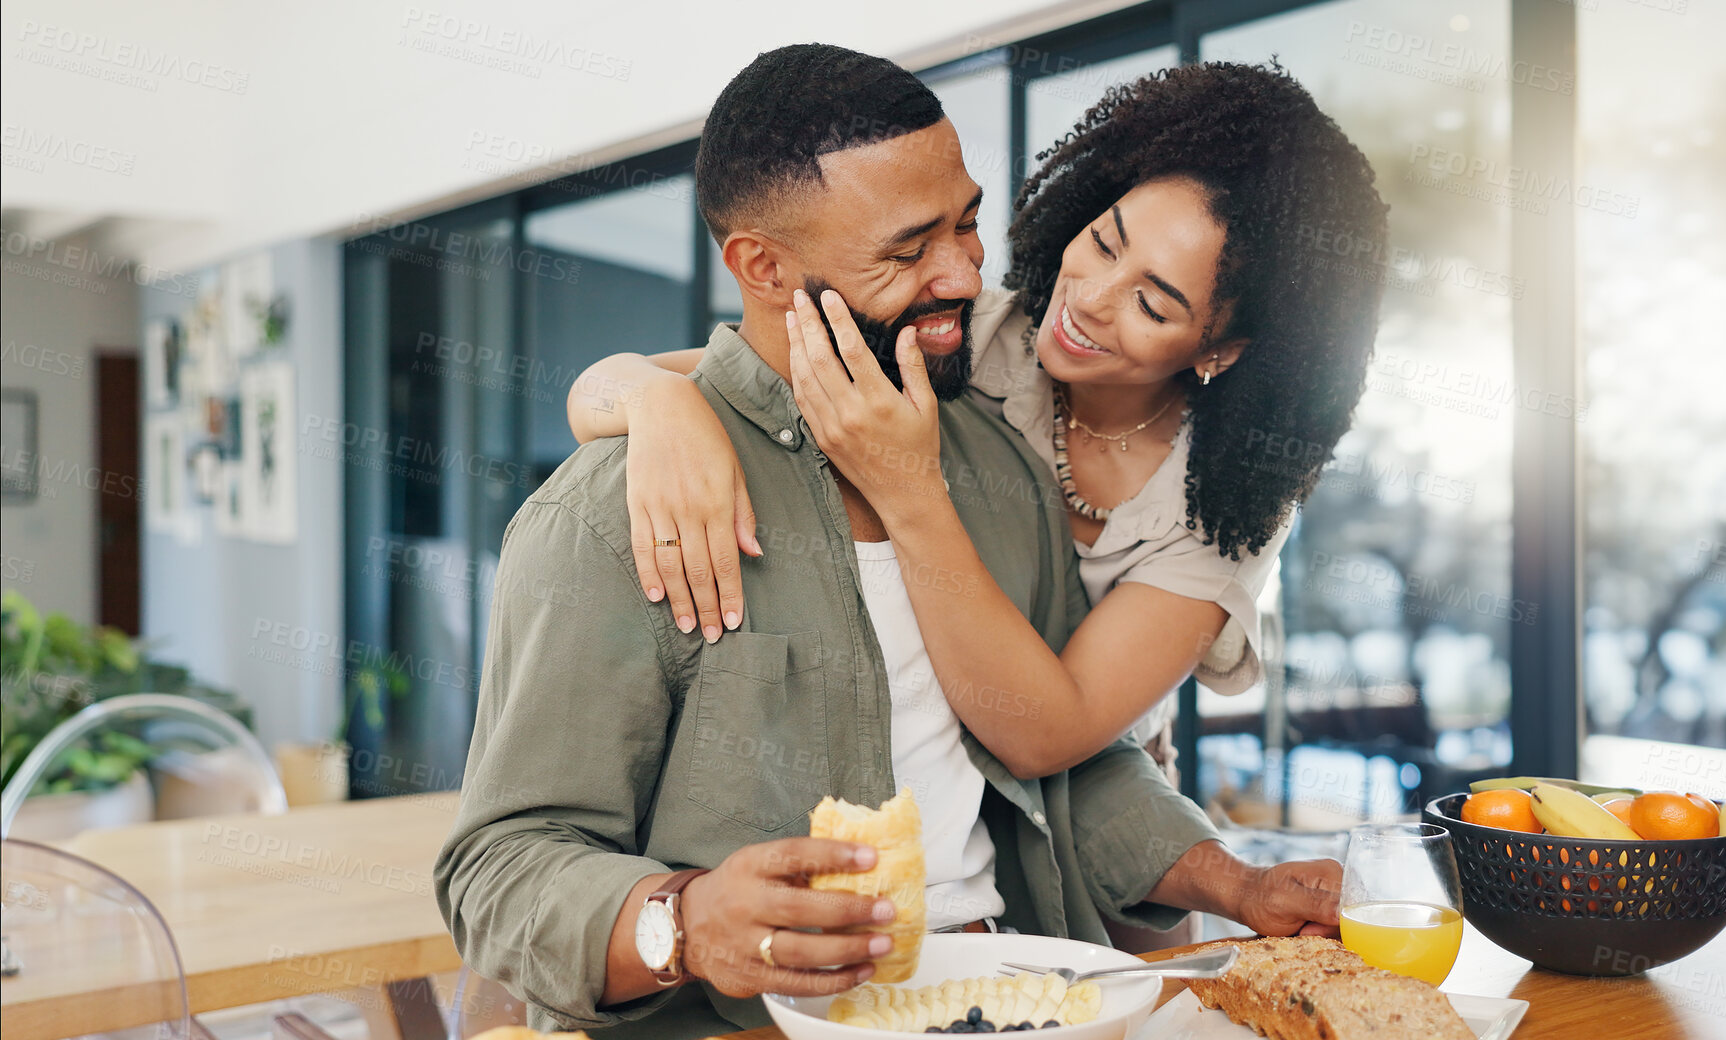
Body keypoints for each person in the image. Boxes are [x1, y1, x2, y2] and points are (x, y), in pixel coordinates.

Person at [437, 44, 1341, 1040]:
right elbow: (500, 868)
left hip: (1020, 996)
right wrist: (684, 920)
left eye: (966, 221)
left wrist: (1236, 881)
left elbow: (1055, 760)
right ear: (763, 266)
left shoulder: (997, 467)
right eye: (909, 250)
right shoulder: (610, 513)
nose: (964, 272)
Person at [567, 61, 1388, 789]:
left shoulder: (1223, 503)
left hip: (1095, 817)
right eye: (1103, 242)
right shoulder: (979, 335)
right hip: (927, 781)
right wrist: (656, 404)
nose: (1091, 301)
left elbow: (1049, 734)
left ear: (1223, 346)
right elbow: (624, 383)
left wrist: (908, 485)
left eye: (1151, 301)